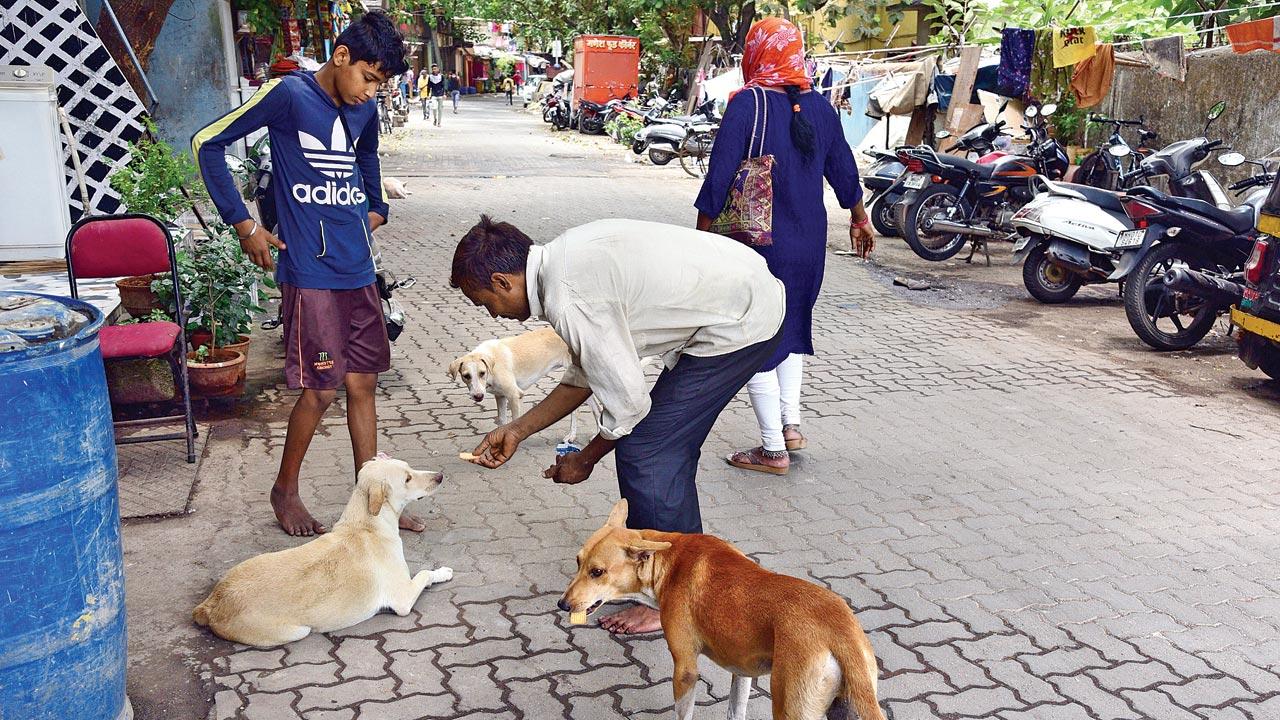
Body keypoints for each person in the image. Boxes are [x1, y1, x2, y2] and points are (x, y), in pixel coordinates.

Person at [451, 216, 785, 634]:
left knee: (647, 452)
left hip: (744, 319)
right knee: (659, 446)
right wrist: (517, 430)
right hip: (743, 292)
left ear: (502, 282)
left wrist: (585, 460)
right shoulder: (561, 261)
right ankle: (685, 577)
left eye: (484, 302)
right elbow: (586, 373)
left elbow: (628, 403)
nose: (493, 315)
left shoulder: (569, 298)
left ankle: (672, 601)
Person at [192, 11, 415, 536]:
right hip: (309, 272)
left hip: (358, 268)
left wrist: (377, 205)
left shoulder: (364, 110)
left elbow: (367, 158)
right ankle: (284, 490)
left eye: (380, 84)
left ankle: (374, 502)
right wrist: (244, 224)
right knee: (320, 388)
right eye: (368, 77)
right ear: (341, 57)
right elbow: (209, 143)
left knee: (363, 382)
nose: (370, 93)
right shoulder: (289, 95)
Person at [694, 17, 875, 476]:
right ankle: (791, 425)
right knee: (791, 328)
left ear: (756, 52)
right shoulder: (820, 106)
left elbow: (718, 180)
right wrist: (859, 218)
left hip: (760, 246)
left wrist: (699, 242)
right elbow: (843, 171)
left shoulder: (745, 105)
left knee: (755, 337)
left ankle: (773, 450)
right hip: (809, 245)